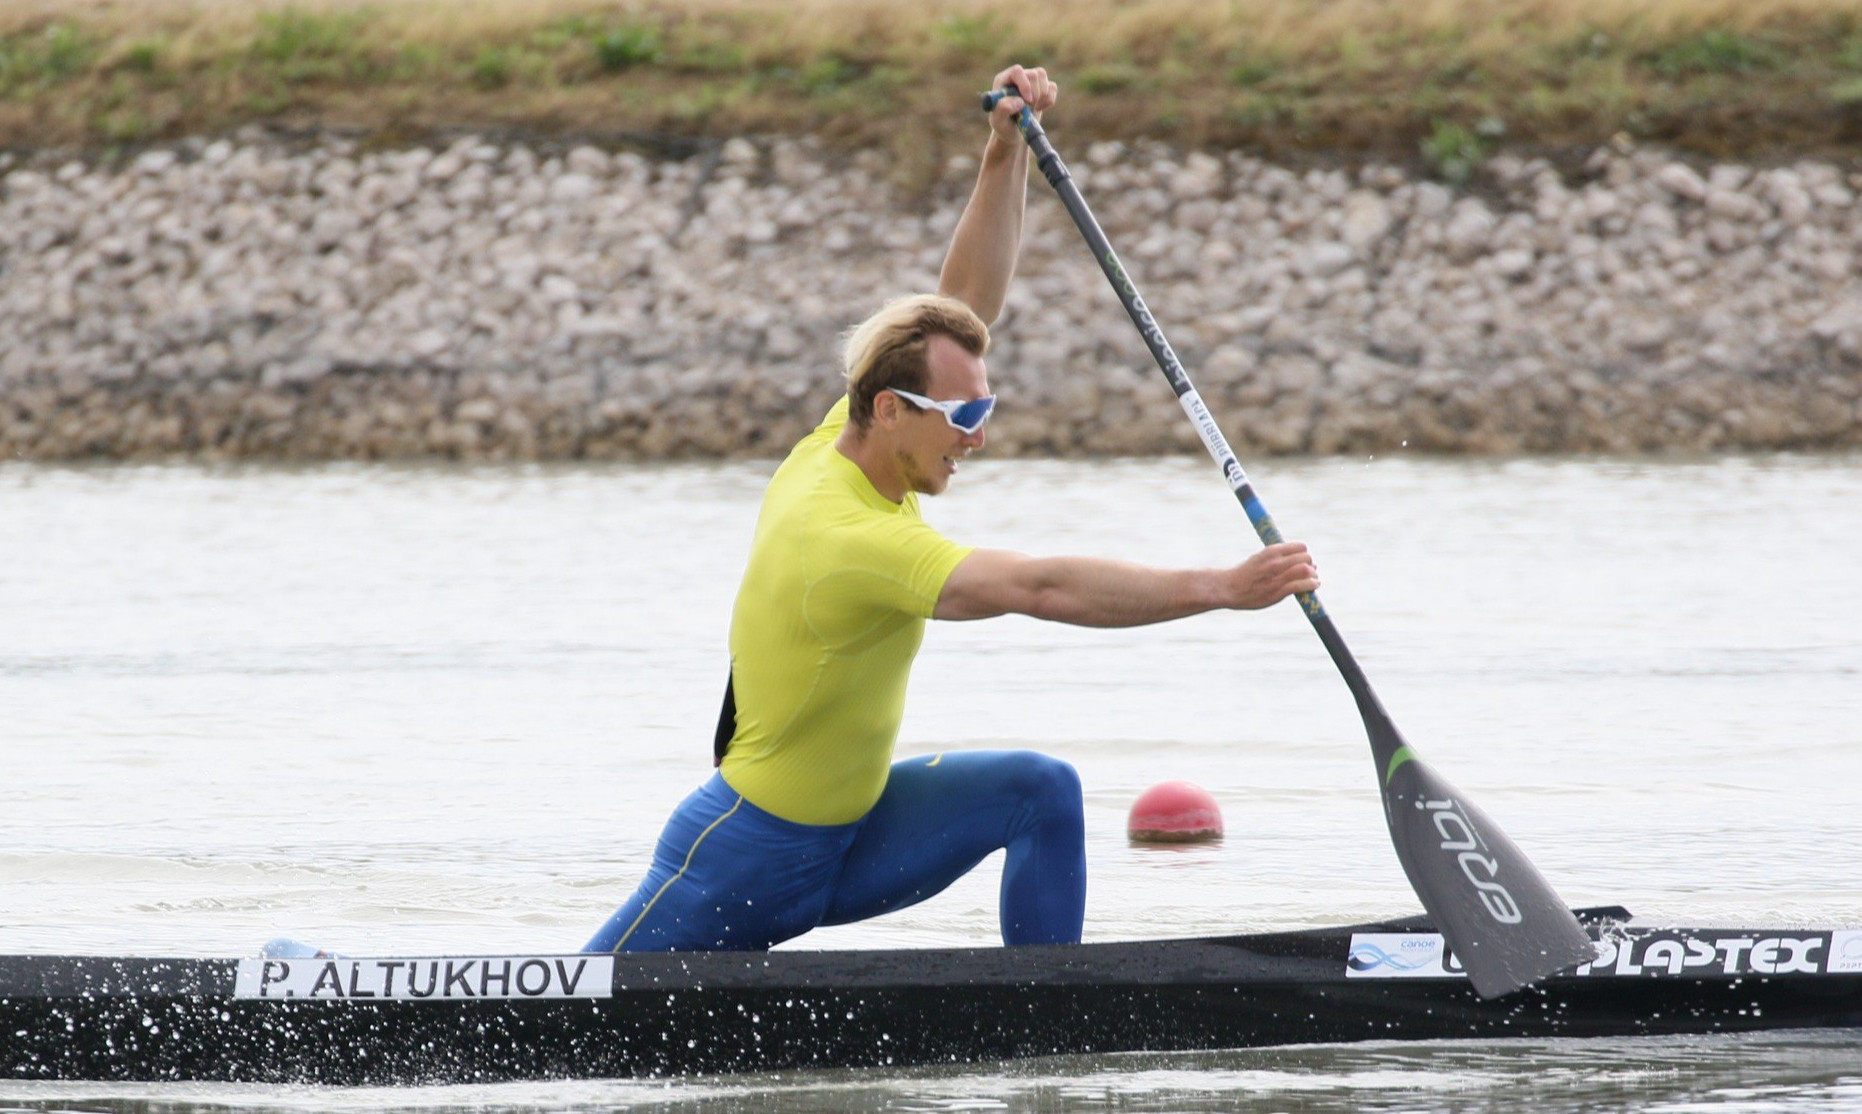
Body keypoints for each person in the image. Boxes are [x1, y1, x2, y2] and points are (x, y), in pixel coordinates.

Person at [584, 66, 1318, 954]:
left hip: (852, 839)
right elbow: (1041, 587)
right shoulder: (844, 534)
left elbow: (962, 305)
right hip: (742, 857)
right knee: (564, 1022)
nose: (976, 435)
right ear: (892, 411)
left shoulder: (853, 430)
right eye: (963, 416)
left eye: (985, 409)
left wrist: (1004, 151)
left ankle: (1050, 1029)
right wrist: (1221, 586)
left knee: (1040, 791)